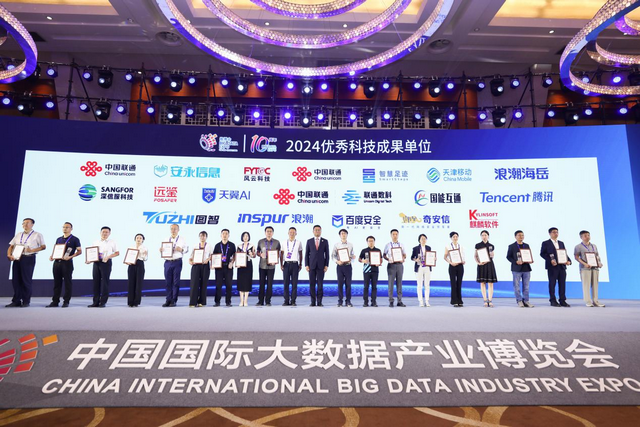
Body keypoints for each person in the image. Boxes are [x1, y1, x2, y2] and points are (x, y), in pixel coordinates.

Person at [7, 218, 46, 308]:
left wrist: (32, 250)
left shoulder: (37, 235)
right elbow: (11, 246)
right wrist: (9, 255)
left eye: (27, 223)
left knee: (26, 280)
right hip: (17, 258)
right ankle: (16, 301)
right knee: (16, 280)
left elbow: (43, 247)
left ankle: (26, 301)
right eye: (23, 223)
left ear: (32, 224)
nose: (25, 225)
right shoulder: (18, 234)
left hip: (28, 258)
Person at [47, 222, 81, 308]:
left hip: (67, 263)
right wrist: (52, 256)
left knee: (67, 283)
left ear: (71, 229)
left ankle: (66, 301)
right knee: (57, 283)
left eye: (67, 227)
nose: (65, 229)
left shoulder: (75, 239)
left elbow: (79, 251)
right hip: (57, 263)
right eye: (64, 227)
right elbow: (56, 250)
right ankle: (55, 301)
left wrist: (70, 257)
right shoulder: (59, 239)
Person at [540, 227, 572, 307]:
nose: (556, 233)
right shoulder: (545, 243)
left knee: (562, 284)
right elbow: (542, 254)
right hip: (552, 267)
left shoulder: (561, 243)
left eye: (557, 232)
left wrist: (569, 260)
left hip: (562, 266)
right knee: (552, 284)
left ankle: (562, 300)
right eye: (554, 232)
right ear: (549, 233)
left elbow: (564, 253)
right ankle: (553, 300)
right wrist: (550, 260)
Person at [87, 226, 119, 308]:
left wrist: (108, 257)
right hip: (96, 263)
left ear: (109, 233)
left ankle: (103, 302)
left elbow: (117, 253)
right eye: (103, 232)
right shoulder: (95, 242)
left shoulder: (112, 242)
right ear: (100, 232)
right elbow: (92, 253)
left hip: (106, 262)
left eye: (106, 232)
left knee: (105, 282)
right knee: (96, 282)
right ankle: (95, 302)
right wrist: (89, 260)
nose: (104, 233)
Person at [574, 230, 605, 307]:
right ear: (581, 237)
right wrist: (585, 264)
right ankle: (588, 301)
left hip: (595, 268)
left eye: (588, 235)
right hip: (585, 268)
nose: (587, 237)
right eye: (585, 235)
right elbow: (576, 257)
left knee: (595, 285)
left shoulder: (594, 246)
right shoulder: (578, 247)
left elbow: (597, 256)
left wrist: (599, 263)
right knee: (586, 285)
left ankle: (595, 301)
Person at [161, 224, 188, 307]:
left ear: (178, 230)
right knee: (168, 282)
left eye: (175, 229)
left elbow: (186, 249)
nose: (173, 230)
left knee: (176, 282)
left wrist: (181, 249)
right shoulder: (166, 239)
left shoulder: (182, 239)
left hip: (177, 261)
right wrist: (161, 250)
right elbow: (163, 249)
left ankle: (174, 300)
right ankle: (168, 299)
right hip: (167, 262)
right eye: (172, 229)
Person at [506, 230, 534, 308]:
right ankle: (519, 301)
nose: (521, 236)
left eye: (522, 235)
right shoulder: (512, 246)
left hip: (526, 268)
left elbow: (528, 255)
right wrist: (515, 261)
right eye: (519, 235)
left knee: (526, 286)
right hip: (516, 269)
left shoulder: (526, 245)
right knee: (517, 286)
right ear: (515, 237)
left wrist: (530, 260)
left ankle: (526, 301)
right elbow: (508, 257)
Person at [305, 225, 329, 307]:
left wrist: (326, 265)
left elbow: (327, 254)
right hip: (311, 266)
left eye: (319, 230)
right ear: (313, 231)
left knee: (320, 284)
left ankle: (319, 302)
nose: (317, 231)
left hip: (321, 266)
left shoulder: (325, 241)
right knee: (312, 284)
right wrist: (306, 265)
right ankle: (312, 301)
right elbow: (306, 254)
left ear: (321, 231)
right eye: (316, 230)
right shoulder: (309, 241)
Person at [256, 226, 280, 306]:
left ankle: (268, 301)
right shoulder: (261, 241)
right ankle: (260, 301)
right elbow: (257, 252)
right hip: (262, 266)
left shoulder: (276, 242)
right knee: (261, 284)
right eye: (267, 231)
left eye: (270, 231)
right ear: (265, 232)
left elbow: (278, 253)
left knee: (270, 284)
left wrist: (275, 261)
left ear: (272, 233)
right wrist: (260, 254)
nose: (269, 233)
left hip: (271, 266)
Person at [188, 231, 212, 308]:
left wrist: (208, 259)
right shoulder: (195, 245)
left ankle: (201, 301)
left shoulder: (209, 246)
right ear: (199, 237)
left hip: (205, 265)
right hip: (196, 265)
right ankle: (193, 302)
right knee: (194, 283)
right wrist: (190, 261)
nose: (202, 237)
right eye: (201, 236)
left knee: (204, 283)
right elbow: (191, 256)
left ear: (206, 237)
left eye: (204, 236)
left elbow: (212, 256)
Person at [332, 229, 355, 307]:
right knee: (340, 284)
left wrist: (352, 257)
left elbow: (352, 255)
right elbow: (333, 256)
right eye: (342, 233)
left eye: (345, 233)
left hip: (348, 266)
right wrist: (337, 261)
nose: (343, 235)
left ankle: (348, 301)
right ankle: (340, 301)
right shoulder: (336, 245)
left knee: (348, 284)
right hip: (340, 266)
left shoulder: (350, 245)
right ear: (340, 235)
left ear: (347, 235)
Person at [384, 229, 407, 307]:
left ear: (398, 235)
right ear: (391, 235)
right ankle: (391, 301)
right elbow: (384, 255)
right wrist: (388, 259)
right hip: (391, 265)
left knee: (399, 283)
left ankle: (399, 301)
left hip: (400, 265)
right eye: (393, 234)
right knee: (390, 284)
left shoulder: (401, 245)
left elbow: (404, 255)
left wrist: (403, 258)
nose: (395, 236)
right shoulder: (388, 245)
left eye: (396, 234)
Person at [213, 229, 236, 307]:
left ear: (228, 235)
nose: (225, 235)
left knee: (229, 285)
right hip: (219, 268)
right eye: (223, 233)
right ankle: (217, 302)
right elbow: (214, 256)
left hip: (228, 267)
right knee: (218, 285)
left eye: (226, 234)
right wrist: (213, 264)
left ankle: (228, 302)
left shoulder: (232, 245)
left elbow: (235, 255)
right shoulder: (217, 245)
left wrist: (232, 262)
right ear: (221, 235)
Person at [475, 230, 498, 308]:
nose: (484, 236)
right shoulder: (478, 245)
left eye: (485, 235)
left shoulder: (491, 246)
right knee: (482, 283)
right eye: (482, 235)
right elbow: (475, 256)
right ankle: (485, 300)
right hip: (481, 265)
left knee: (490, 283)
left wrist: (492, 255)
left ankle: (490, 300)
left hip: (489, 264)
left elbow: (492, 256)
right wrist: (478, 262)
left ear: (488, 236)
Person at [281, 227, 303, 306]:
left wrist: (300, 264)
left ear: (296, 233)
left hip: (295, 264)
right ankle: (286, 300)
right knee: (285, 283)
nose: (292, 233)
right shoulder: (284, 242)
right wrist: (281, 264)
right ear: (288, 233)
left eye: (293, 232)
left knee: (294, 283)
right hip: (286, 264)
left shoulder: (298, 242)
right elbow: (281, 254)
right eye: (290, 232)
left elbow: (300, 254)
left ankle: (293, 300)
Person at [411, 234, 433, 307]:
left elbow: (431, 256)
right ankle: (420, 301)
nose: (423, 240)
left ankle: (427, 300)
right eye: (422, 239)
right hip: (419, 267)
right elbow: (412, 257)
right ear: (419, 240)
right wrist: (415, 259)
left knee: (427, 285)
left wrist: (433, 259)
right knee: (419, 285)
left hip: (427, 267)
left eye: (425, 239)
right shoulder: (415, 248)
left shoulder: (428, 247)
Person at [126, 233, 148, 307]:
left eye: (140, 238)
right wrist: (127, 261)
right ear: (135, 239)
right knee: (131, 283)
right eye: (137, 238)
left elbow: (145, 258)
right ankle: (130, 301)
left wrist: (144, 254)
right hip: (131, 265)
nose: (138, 239)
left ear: (143, 240)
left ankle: (136, 302)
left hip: (139, 264)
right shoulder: (131, 247)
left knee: (138, 283)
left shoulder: (144, 248)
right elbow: (128, 257)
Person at [445, 231, 465, 307]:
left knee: (459, 283)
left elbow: (463, 256)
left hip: (460, 266)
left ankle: (460, 300)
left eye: (456, 236)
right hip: (452, 266)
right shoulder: (448, 246)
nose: (455, 238)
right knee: (453, 283)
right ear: (451, 238)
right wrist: (450, 262)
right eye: (454, 237)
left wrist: (463, 261)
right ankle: (454, 301)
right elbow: (445, 257)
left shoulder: (461, 246)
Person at [359, 236, 380, 307]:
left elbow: (381, 259)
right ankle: (365, 301)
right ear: (367, 242)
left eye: (372, 241)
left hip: (375, 270)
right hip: (366, 270)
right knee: (366, 286)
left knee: (374, 286)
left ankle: (373, 301)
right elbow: (359, 259)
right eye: (369, 241)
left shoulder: (378, 250)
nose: (371, 242)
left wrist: (379, 263)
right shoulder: (364, 250)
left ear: (374, 242)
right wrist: (363, 261)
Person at [236, 231, 256, 307]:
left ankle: (246, 301)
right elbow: (236, 256)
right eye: (244, 236)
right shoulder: (239, 246)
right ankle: (241, 301)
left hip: (248, 264)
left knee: (247, 281)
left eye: (247, 236)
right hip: (241, 265)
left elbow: (254, 256)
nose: (245, 237)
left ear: (249, 237)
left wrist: (252, 254)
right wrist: (237, 264)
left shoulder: (252, 246)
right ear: (242, 237)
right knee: (241, 282)